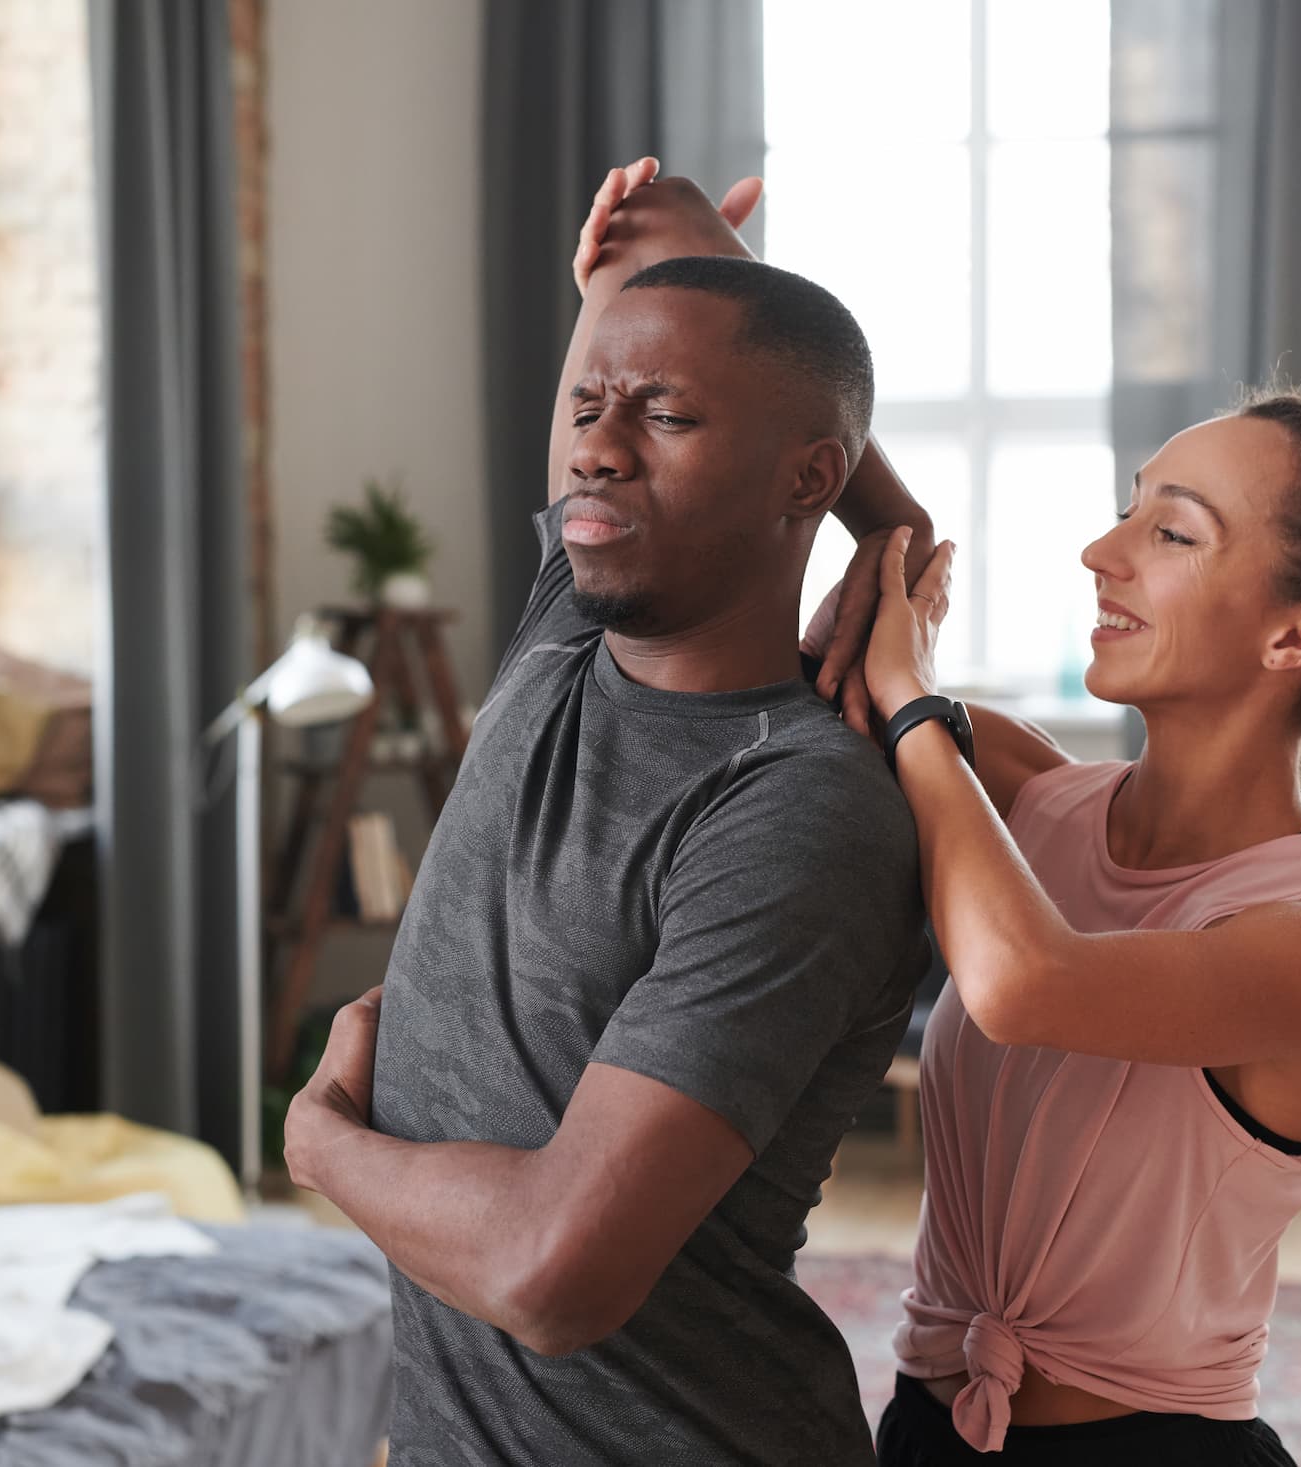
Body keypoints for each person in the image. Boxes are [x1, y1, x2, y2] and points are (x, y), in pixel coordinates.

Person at [580, 164, 1301, 1465]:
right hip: (926, 1429)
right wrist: (724, 299)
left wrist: (912, 707)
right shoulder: (1013, 787)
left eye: (1173, 536)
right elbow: (806, 624)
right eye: (1128, 510)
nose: (1102, 554)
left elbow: (1022, 982)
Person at [281, 162, 941, 1466]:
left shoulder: (796, 806)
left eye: (665, 415)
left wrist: (320, 1145)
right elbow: (633, 316)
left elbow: (549, 1271)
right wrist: (892, 520)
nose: (598, 439)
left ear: (808, 478)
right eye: (588, 403)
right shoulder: (563, 635)